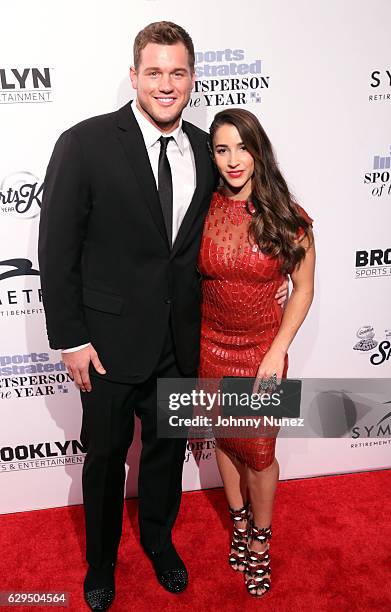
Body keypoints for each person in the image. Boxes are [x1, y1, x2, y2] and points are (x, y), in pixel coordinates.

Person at [38, 20, 289, 610]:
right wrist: (71, 338)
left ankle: (157, 540)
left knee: (166, 453)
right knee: (103, 459)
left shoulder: (209, 148)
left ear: (193, 79)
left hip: (180, 342)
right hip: (103, 345)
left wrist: (276, 279)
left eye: (178, 72)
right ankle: (100, 564)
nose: (166, 84)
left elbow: (242, 222)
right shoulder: (86, 142)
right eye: (154, 72)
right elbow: (57, 250)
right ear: (134, 76)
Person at [198, 108, 315, 597]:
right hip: (208, 346)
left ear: (258, 149)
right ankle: (239, 523)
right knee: (225, 439)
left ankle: (261, 543)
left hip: (262, 350)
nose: (233, 160)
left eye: (242, 147)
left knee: (261, 452)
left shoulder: (287, 215)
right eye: (222, 149)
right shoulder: (200, 208)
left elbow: (303, 289)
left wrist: (277, 351)